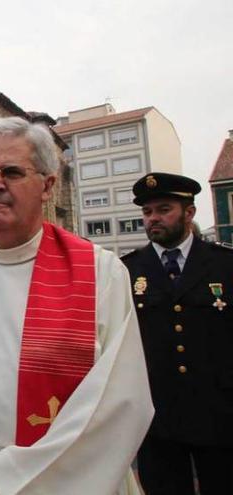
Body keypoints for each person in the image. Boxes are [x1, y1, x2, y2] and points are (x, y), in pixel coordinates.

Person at [0, 116, 154, 494]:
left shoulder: (101, 274)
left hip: (66, 480)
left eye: (12, 172)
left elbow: (119, 399)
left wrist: (14, 477)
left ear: (48, 185)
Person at [121, 172, 233, 495]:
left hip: (220, 416)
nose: (153, 218)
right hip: (158, 419)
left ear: (189, 212)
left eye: (163, 209)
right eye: (147, 212)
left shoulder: (223, 265)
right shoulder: (128, 270)